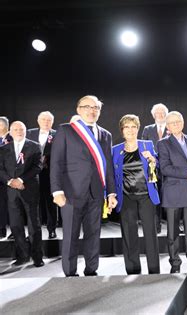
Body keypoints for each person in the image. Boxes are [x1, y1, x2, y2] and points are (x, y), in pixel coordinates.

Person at [50, 95, 117, 277]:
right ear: (78, 110)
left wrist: (111, 192)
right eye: (87, 107)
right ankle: (70, 273)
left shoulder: (105, 135)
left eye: (95, 107)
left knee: (93, 235)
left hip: (96, 193)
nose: (91, 110)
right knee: (71, 236)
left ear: (99, 111)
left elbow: (108, 166)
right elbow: (56, 162)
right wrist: (56, 190)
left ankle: (91, 269)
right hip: (71, 193)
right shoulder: (65, 130)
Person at [157, 111, 187, 274]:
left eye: (178, 121)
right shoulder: (163, 143)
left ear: (183, 122)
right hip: (173, 194)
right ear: (167, 126)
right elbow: (164, 168)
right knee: (173, 233)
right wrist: (186, 174)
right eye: (172, 123)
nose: (176, 124)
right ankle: (175, 263)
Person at [112, 114, 161, 274]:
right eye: (127, 127)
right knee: (129, 234)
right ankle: (133, 270)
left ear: (138, 129)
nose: (131, 130)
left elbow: (157, 165)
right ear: (122, 130)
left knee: (150, 234)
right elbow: (112, 175)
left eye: (134, 127)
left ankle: (154, 270)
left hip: (146, 196)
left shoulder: (147, 145)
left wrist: (153, 160)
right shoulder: (115, 150)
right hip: (126, 197)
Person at [0, 121, 43, 267]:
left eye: (21, 129)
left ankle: (37, 257)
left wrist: (20, 179)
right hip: (11, 191)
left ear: (26, 131)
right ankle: (22, 256)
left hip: (29, 189)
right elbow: (0, 170)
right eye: (16, 129)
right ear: (10, 132)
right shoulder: (3, 149)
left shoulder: (35, 146)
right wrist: (10, 181)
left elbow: (38, 166)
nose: (19, 131)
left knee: (34, 224)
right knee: (16, 225)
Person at [26, 111, 58, 239]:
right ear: (38, 121)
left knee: (51, 203)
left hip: (50, 173)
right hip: (32, 174)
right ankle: (33, 231)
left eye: (49, 120)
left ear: (52, 122)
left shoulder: (58, 134)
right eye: (43, 119)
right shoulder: (29, 133)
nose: (46, 122)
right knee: (33, 203)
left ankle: (52, 229)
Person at [142, 103, 169, 233]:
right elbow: (143, 148)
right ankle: (156, 226)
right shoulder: (147, 130)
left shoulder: (172, 128)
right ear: (153, 115)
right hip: (153, 169)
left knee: (170, 198)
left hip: (169, 168)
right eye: (157, 113)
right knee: (155, 199)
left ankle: (174, 226)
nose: (160, 115)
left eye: (163, 112)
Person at [0, 116, 12, 239]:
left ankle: (15, 231)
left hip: (10, 177)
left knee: (12, 205)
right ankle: (1, 230)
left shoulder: (13, 137)